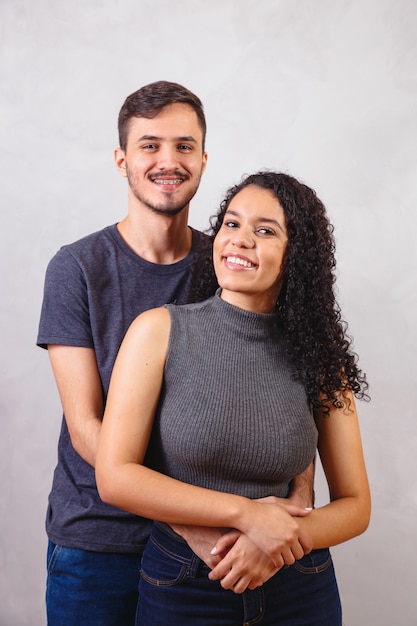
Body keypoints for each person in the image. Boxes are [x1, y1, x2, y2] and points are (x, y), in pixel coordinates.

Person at [37, 82, 313, 626]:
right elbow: (85, 423)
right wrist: (189, 523)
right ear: (122, 160)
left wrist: (294, 502)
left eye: (184, 146)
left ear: (205, 160)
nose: (169, 160)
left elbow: (282, 385)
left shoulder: (232, 259)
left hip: (214, 553)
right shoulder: (77, 269)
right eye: (149, 145)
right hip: (102, 542)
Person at [96, 171, 371, 626]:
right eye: (231, 223)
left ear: (295, 256)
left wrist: (279, 541)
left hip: (298, 583)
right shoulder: (158, 331)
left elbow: (355, 504)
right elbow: (116, 476)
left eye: (265, 231)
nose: (240, 240)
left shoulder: (321, 358)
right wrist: (247, 516)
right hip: (184, 584)